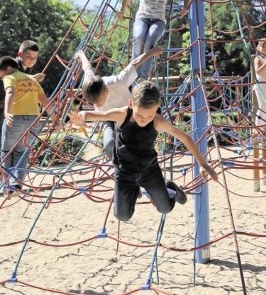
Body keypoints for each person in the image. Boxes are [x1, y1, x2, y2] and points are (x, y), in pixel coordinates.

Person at [69, 81, 218, 221]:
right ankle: (134, 191)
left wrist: (203, 164)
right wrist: (81, 117)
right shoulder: (123, 114)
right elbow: (97, 115)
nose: (143, 120)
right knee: (122, 216)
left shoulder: (158, 122)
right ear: (131, 103)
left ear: (157, 107)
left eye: (149, 116)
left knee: (165, 208)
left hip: (149, 170)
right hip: (125, 172)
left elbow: (185, 138)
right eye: (139, 114)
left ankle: (170, 189)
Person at [75, 46, 162, 159]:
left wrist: (152, 52)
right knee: (109, 145)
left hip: (128, 115)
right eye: (94, 103)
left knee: (137, 140)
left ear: (106, 90)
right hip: (108, 118)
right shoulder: (91, 83)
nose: (98, 105)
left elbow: (134, 63)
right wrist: (81, 55)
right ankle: (120, 165)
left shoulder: (118, 82)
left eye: (99, 102)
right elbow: (87, 68)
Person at [116, 0, 190, 79]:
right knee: (139, 38)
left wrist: (185, 8)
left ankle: (142, 78)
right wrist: (121, 10)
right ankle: (132, 75)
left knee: (149, 42)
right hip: (142, 17)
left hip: (158, 20)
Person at [0, 40, 44, 180]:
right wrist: (32, 79)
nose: (32, 61)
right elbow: (11, 84)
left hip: (7, 101)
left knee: (4, 135)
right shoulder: (11, 65)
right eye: (29, 57)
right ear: (20, 54)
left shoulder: (27, 70)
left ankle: (7, 171)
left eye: (35, 58)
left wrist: (32, 79)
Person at [0, 56, 53, 195]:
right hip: (33, 120)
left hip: (16, 118)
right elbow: (45, 101)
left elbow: (10, 92)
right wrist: (55, 115)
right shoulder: (32, 80)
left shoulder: (11, 77)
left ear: (8, 69)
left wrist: (7, 111)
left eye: (1, 75)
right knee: (22, 152)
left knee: (7, 152)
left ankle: (8, 185)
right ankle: (17, 184)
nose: (2, 78)